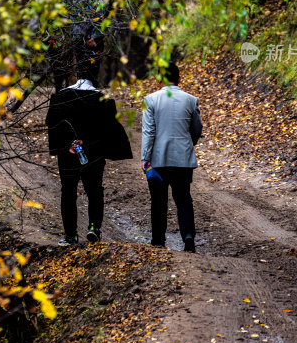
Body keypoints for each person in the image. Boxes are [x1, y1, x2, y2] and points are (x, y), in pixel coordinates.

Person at [46, 67, 132, 246]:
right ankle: (94, 227)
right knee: (94, 191)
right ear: (96, 77)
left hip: (68, 153)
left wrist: (66, 144)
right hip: (94, 153)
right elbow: (109, 131)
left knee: (68, 192)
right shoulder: (103, 101)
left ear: (76, 75)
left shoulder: (61, 97)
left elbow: (51, 123)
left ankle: (71, 235)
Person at [141, 62, 202, 252]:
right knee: (183, 197)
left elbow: (149, 132)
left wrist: (145, 157)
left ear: (160, 79)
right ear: (179, 78)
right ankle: (189, 237)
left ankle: (158, 239)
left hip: (158, 159)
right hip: (183, 158)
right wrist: (188, 143)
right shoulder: (191, 100)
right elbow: (197, 128)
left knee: (158, 199)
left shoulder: (150, 100)